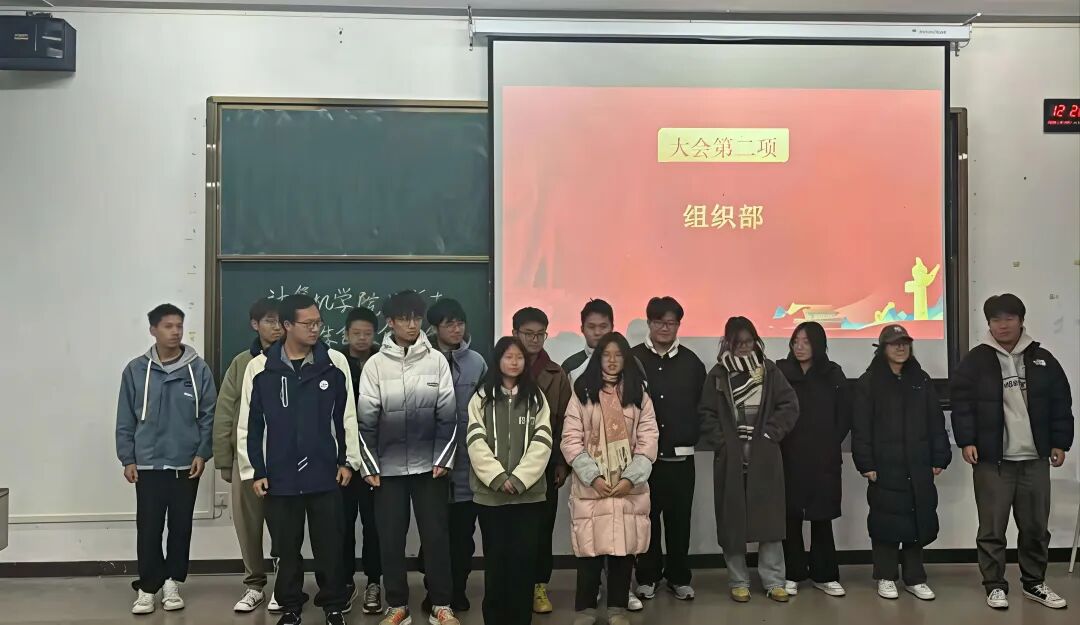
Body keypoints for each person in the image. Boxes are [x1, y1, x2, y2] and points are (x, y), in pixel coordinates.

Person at [238, 294, 362, 625]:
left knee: (330, 545)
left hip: (325, 471)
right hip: (279, 475)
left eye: (318, 323)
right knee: (286, 547)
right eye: (308, 323)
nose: (315, 329)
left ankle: (333, 606)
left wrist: (348, 461)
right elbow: (249, 424)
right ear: (287, 325)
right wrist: (255, 471)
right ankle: (291, 607)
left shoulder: (334, 362)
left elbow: (347, 416)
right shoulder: (260, 367)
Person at [951, 294, 1073, 610]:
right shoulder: (975, 361)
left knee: (1035, 528)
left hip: (1035, 459)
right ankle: (994, 585)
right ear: (988, 323)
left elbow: (1061, 403)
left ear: (1021, 321)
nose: (1002, 325)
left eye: (1009, 318)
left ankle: (1034, 583)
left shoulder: (1042, 359)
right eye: (996, 320)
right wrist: (966, 440)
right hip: (993, 461)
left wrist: (1060, 442)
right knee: (992, 528)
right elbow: (962, 405)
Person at [355, 291, 461, 625]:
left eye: (416, 318)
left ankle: (441, 604)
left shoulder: (436, 361)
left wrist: (443, 458)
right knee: (390, 539)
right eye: (404, 318)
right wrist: (370, 465)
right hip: (386, 471)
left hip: (430, 468)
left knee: (436, 537)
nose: (412, 324)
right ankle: (397, 605)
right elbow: (365, 421)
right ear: (390, 322)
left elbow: (448, 416)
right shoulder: (375, 365)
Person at [116, 304, 217, 615]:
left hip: (186, 465)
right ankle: (148, 587)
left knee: (180, 526)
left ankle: (172, 581)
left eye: (179, 326)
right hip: (147, 464)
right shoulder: (136, 370)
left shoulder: (198, 369)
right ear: (153, 330)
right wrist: (127, 458)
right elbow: (125, 418)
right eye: (168, 326)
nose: (175, 332)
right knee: (148, 527)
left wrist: (202, 452)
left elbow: (209, 415)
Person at [699, 316, 799, 603]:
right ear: (728, 344)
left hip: (764, 460)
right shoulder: (718, 375)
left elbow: (790, 405)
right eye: (738, 342)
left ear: (756, 341)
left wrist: (770, 434)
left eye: (749, 341)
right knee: (732, 523)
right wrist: (722, 442)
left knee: (770, 523)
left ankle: (774, 581)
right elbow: (706, 413)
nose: (744, 347)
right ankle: (738, 581)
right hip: (731, 461)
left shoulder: (770, 371)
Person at [562, 332, 658, 625]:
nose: (613, 360)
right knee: (589, 554)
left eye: (618, 355)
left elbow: (648, 439)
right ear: (598, 358)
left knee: (623, 553)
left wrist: (631, 478)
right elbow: (571, 440)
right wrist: (592, 477)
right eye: (606, 355)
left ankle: (617, 610)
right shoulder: (582, 393)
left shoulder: (638, 394)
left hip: (628, 487)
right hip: (593, 487)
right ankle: (586, 611)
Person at [852, 324, 950, 602]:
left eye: (905, 343)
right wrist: (866, 464)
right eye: (895, 343)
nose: (901, 348)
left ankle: (915, 578)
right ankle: (885, 576)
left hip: (918, 463)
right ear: (883, 348)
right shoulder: (869, 382)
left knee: (916, 519)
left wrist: (940, 456)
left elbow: (936, 421)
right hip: (884, 465)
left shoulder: (921, 379)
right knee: (885, 521)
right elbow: (860, 427)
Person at [468, 336, 553, 625]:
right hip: (491, 497)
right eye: (508, 357)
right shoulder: (482, 396)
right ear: (498, 360)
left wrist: (518, 478)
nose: (514, 362)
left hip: (528, 497)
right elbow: (475, 440)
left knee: (523, 562)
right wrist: (497, 477)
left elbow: (543, 440)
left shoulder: (536, 397)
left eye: (519, 357)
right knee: (496, 561)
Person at [631, 297, 706, 602]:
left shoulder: (692, 362)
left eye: (671, 322)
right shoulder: (633, 359)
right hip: (644, 459)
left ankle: (679, 577)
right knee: (646, 520)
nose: (665, 327)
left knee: (679, 522)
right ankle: (647, 577)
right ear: (649, 323)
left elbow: (703, 407)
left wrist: (692, 434)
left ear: (678, 325)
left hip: (681, 458)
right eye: (659, 321)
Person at [212, 298, 283, 614]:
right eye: (269, 321)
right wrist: (224, 459)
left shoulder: (296, 358)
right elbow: (225, 411)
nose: (276, 327)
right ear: (255, 324)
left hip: (283, 460)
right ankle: (254, 585)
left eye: (280, 321)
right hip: (246, 460)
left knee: (284, 525)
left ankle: (284, 585)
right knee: (248, 525)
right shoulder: (241, 363)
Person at [418, 298, 487, 613]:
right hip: (429, 465)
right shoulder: (422, 360)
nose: (457, 329)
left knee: (462, 537)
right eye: (449, 324)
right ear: (435, 328)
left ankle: (457, 589)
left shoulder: (477, 362)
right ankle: (435, 592)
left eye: (460, 322)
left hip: (466, 465)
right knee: (433, 536)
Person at [776, 321, 850, 598]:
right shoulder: (781, 371)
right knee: (790, 517)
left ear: (818, 344)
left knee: (822, 517)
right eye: (796, 341)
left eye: (806, 342)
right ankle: (793, 573)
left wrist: (829, 441)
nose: (800, 347)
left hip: (823, 456)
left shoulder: (832, 373)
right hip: (788, 455)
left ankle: (825, 574)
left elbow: (844, 414)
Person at [511, 306, 573, 614]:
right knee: (512, 528)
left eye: (540, 334)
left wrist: (562, 462)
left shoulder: (557, 374)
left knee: (541, 528)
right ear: (515, 334)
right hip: (509, 464)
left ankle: (538, 585)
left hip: (546, 464)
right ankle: (514, 585)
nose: (535, 340)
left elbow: (565, 421)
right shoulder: (504, 369)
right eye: (528, 334)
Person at [336, 306, 383, 615]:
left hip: (376, 459)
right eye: (356, 333)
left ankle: (374, 582)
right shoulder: (333, 362)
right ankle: (344, 582)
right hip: (342, 459)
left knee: (374, 526)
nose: (362, 338)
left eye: (367, 333)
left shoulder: (383, 360)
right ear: (346, 334)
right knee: (341, 525)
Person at [562, 299, 615, 382]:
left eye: (603, 326)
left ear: (612, 328)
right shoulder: (570, 366)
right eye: (591, 327)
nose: (597, 332)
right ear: (582, 329)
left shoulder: (628, 362)